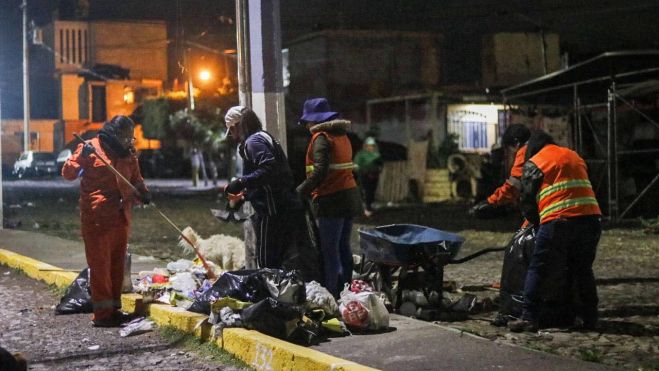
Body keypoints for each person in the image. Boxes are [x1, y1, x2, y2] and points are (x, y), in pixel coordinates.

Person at [508, 131, 602, 332]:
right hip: (591, 220)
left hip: (558, 223)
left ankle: (528, 317)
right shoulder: (574, 155)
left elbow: (527, 202)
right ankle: (591, 318)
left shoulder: (536, 161)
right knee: (583, 270)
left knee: (538, 267)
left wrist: (536, 224)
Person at [62, 115, 150, 327]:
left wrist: (143, 192)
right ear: (115, 133)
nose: (129, 141)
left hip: (121, 217)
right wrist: (81, 157)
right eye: (126, 136)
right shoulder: (91, 148)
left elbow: (135, 178)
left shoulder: (128, 153)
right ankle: (102, 315)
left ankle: (114, 309)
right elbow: (68, 173)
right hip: (97, 219)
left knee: (117, 266)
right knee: (100, 267)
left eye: (131, 137)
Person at [223, 106, 319, 280]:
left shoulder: (253, 142)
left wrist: (241, 182)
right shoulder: (264, 136)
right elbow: (271, 179)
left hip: (272, 211)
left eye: (231, 130)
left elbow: (269, 168)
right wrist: (244, 195)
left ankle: (273, 296)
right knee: (288, 256)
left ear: (236, 126)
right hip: (287, 205)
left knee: (267, 260)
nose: (232, 136)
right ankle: (287, 291)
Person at [295, 98, 362, 297]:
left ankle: (332, 293)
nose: (307, 125)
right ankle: (347, 290)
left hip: (331, 199)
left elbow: (320, 171)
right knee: (343, 246)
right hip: (349, 196)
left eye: (308, 121)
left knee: (329, 250)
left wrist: (299, 192)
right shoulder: (342, 136)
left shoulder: (321, 138)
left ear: (315, 121)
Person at [470, 124, 531, 217]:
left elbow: (513, 187)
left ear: (516, 142)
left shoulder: (525, 153)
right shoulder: (546, 149)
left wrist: (489, 202)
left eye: (510, 148)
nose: (512, 153)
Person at [353, 136, 383, 217]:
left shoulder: (376, 154)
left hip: (374, 175)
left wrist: (379, 169)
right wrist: (362, 170)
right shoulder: (361, 154)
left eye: (372, 145)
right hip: (364, 175)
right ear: (365, 146)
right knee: (365, 191)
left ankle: (369, 206)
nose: (371, 147)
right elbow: (356, 165)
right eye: (369, 145)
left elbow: (380, 164)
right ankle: (365, 208)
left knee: (371, 191)